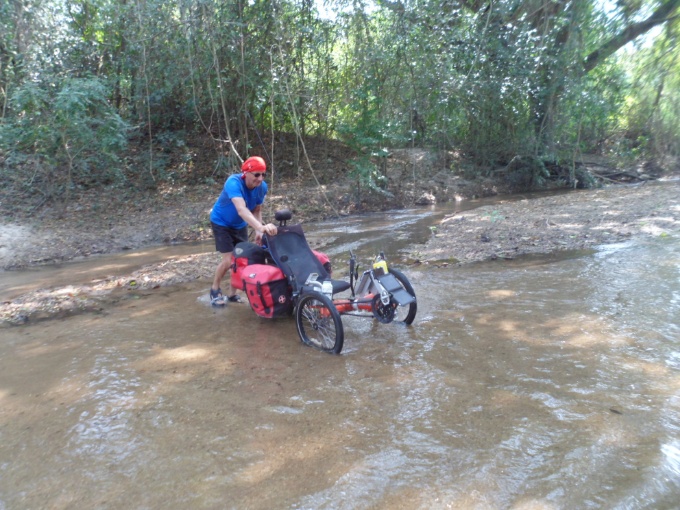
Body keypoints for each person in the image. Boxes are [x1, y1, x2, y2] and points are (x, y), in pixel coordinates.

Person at [209, 156, 278, 306]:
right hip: (221, 222)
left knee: (241, 260)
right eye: (257, 174)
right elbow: (241, 209)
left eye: (263, 174)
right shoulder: (233, 183)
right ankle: (215, 289)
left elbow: (257, 209)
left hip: (240, 225)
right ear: (246, 173)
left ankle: (233, 295)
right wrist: (260, 227)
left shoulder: (262, 187)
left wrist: (259, 232)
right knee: (228, 261)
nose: (260, 179)